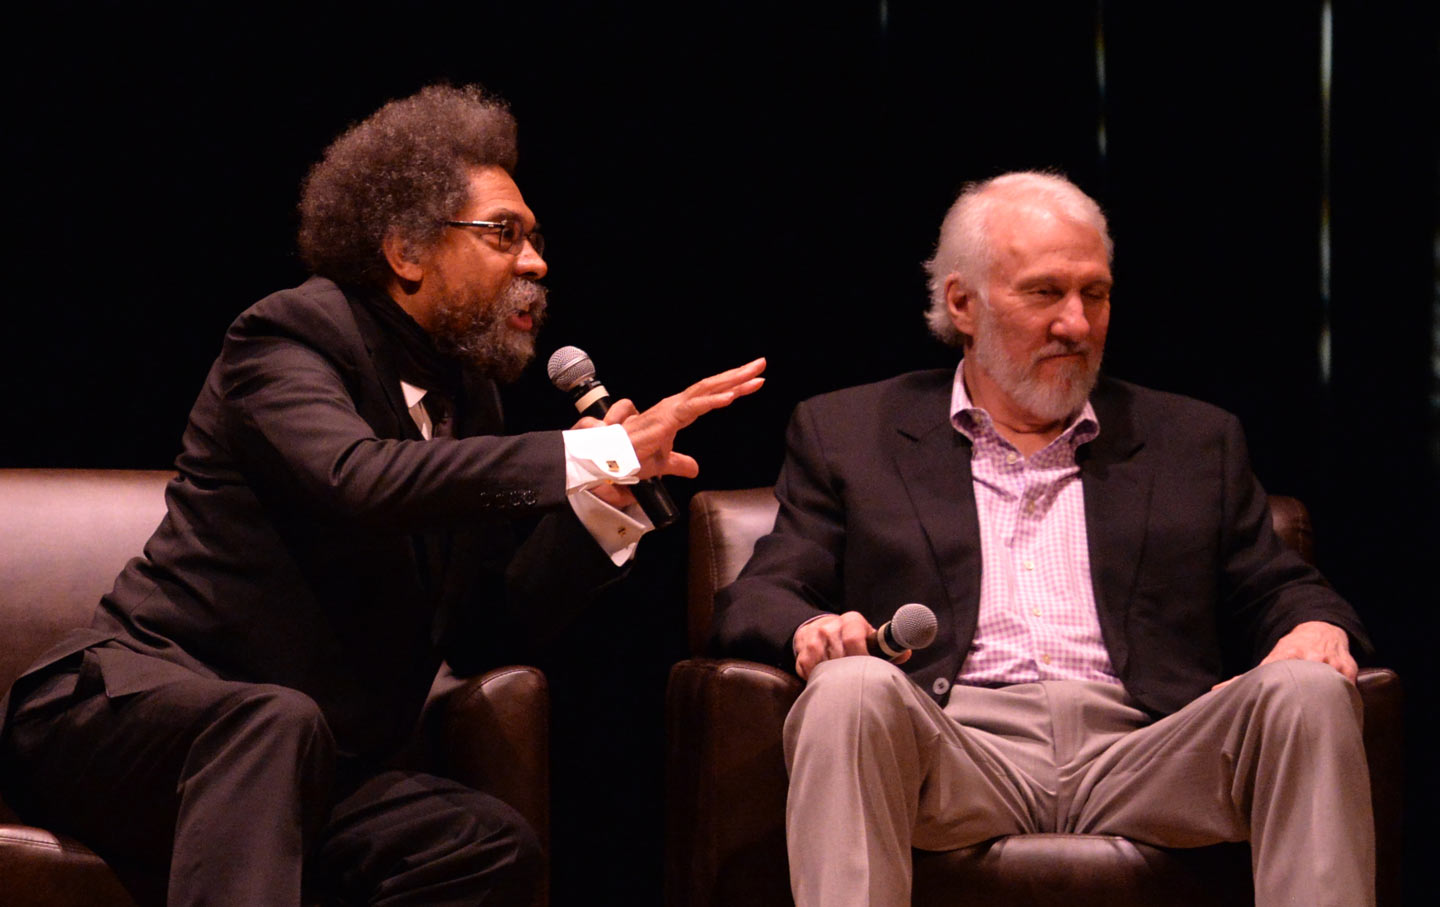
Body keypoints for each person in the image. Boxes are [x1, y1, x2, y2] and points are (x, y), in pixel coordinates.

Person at [0, 84, 763, 906]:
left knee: (483, 845)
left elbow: (480, 630)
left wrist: (603, 501)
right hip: (120, 723)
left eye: (536, 238)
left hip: (308, 763)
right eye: (504, 234)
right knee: (273, 723)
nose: (536, 262)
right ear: (406, 250)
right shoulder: (291, 336)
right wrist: (588, 447)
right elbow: (353, 478)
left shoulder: (470, 399)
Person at [713, 171, 1373, 907]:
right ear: (963, 303)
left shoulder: (1194, 440)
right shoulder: (849, 433)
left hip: (1151, 748)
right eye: (1045, 293)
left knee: (1310, 691)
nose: (1077, 324)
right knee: (850, 689)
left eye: (1095, 293)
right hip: (953, 749)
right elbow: (764, 592)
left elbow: (1278, 585)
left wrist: (1314, 626)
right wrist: (813, 627)